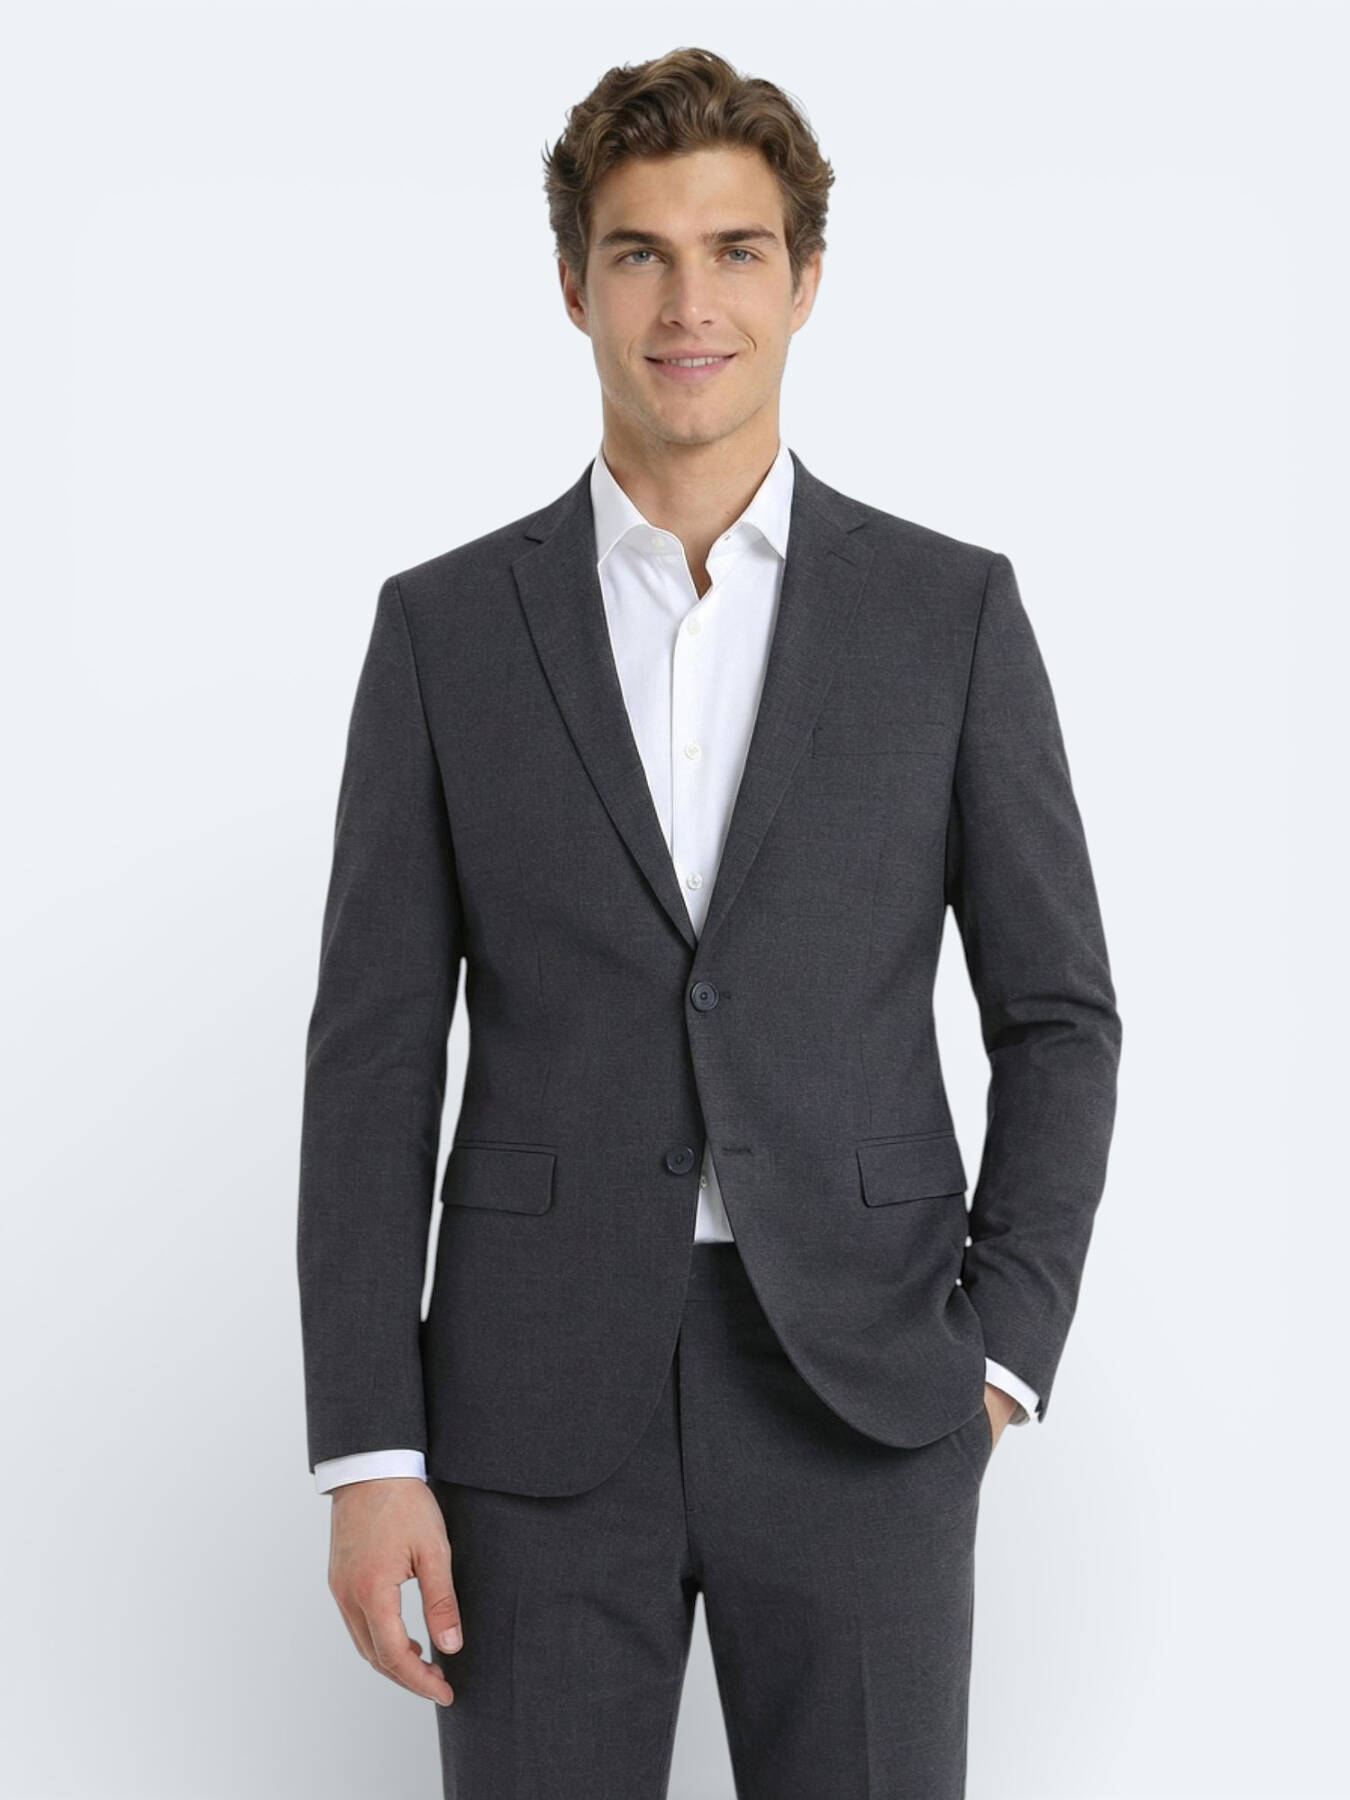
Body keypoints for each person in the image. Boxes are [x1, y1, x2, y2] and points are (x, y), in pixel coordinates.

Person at [296, 44, 1122, 1799]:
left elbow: (1058, 1015)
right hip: (527, 1402)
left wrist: (1000, 1353)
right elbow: (371, 1058)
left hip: (866, 1388)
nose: (688, 304)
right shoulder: (445, 631)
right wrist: (369, 1451)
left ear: (804, 279)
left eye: (735, 250)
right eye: (640, 254)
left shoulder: (948, 615)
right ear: (573, 283)